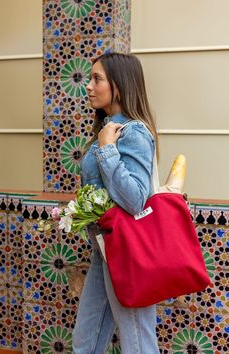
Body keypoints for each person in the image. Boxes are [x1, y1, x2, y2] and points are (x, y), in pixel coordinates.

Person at [72, 52, 160, 354]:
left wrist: (108, 150)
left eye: (97, 79)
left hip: (127, 253)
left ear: (118, 86)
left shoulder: (132, 133)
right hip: (104, 251)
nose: (89, 86)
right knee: (86, 342)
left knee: (138, 344)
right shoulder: (107, 130)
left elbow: (135, 198)